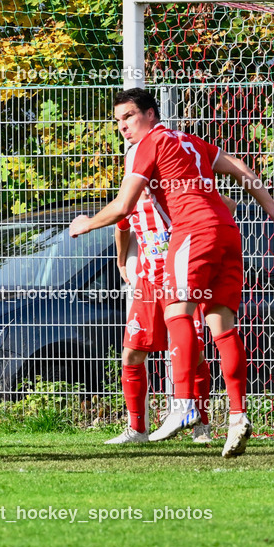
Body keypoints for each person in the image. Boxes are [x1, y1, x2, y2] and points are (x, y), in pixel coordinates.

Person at [70, 88, 274, 458]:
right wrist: (270, 206)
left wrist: (87, 222)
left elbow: (124, 205)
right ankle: (238, 416)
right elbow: (238, 166)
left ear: (150, 113)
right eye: (118, 121)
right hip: (227, 232)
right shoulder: (190, 141)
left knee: (177, 312)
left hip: (193, 232)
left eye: (128, 117)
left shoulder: (149, 143)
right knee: (221, 325)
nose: (123, 127)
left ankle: (184, 404)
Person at [106, 178, 236, 445]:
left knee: (194, 354)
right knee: (131, 353)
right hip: (148, 285)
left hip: (181, 282)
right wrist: (122, 262)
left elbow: (229, 205)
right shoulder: (129, 202)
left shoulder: (178, 196)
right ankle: (137, 430)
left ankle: (202, 425)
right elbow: (120, 228)